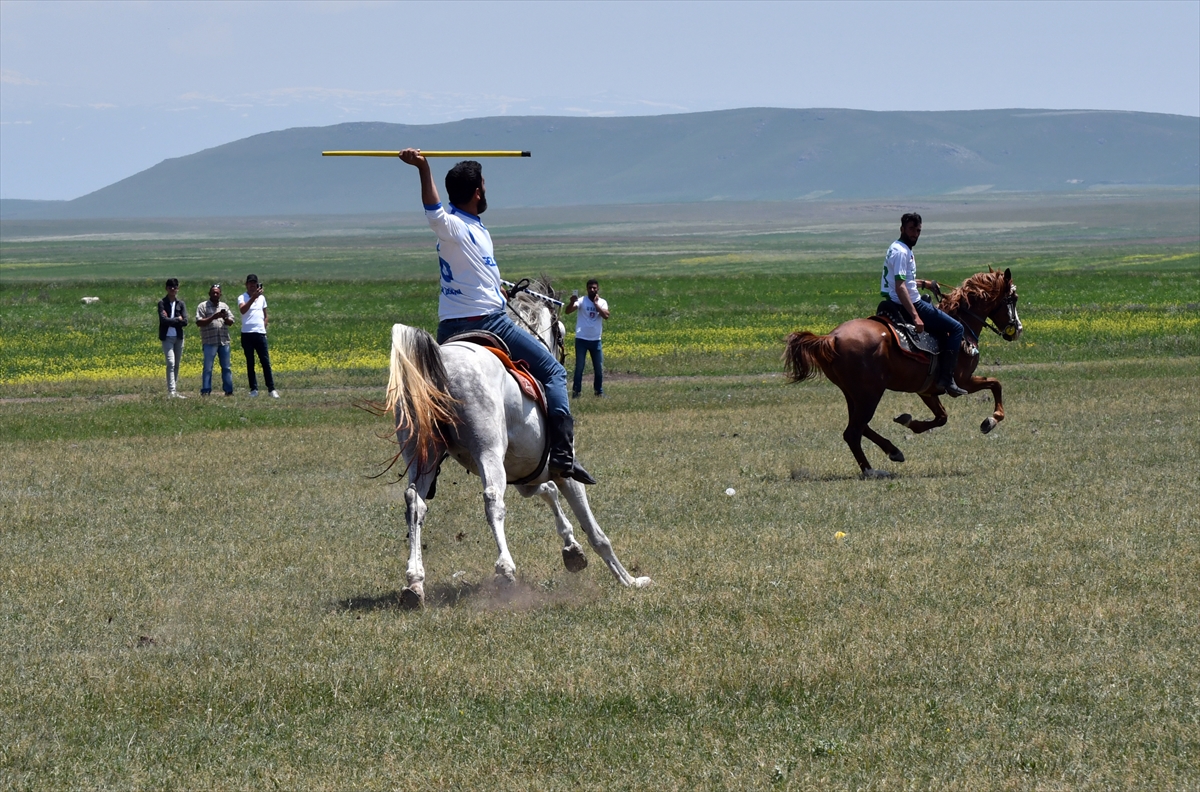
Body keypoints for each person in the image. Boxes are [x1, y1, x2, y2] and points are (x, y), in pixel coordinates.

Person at [397, 149, 596, 485]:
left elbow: (478, 270)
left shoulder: (474, 229)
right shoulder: (453, 225)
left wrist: (497, 289)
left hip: (448, 329)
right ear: (477, 192)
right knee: (554, 371)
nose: (486, 189)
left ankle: (430, 461)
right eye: (484, 185)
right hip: (487, 322)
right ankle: (563, 454)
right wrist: (423, 167)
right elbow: (434, 212)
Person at [880, 213, 968, 397]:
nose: (915, 234)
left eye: (918, 230)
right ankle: (947, 379)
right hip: (909, 303)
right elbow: (900, 286)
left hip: (900, 299)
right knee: (957, 328)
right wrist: (915, 315)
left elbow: (905, 280)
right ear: (902, 229)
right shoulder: (902, 252)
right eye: (911, 229)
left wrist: (925, 284)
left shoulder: (899, 247)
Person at [565, 278, 610, 397]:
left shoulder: (602, 302)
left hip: (596, 340)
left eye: (594, 288)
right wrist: (571, 302)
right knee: (579, 367)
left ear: (598, 289)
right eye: (590, 288)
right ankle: (576, 392)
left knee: (598, 368)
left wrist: (596, 304)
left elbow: (606, 316)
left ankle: (599, 391)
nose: (592, 290)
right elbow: (568, 311)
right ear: (587, 289)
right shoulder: (582, 301)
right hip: (582, 339)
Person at [238, 274, 278, 398]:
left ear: (257, 285)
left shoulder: (262, 298)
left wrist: (263, 328)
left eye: (254, 283)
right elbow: (243, 310)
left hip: (260, 333)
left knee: (265, 362)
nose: (252, 285)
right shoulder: (242, 297)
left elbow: (265, 316)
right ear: (246, 284)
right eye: (250, 283)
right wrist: (253, 298)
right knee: (250, 362)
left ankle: (271, 389)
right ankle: (254, 389)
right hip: (247, 333)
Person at [196, 283, 236, 396]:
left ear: (220, 294)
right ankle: (206, 390)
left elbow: (231, 321)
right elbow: (199, 322)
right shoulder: (203, 306)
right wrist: (213, 317)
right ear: (209, 293)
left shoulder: (224, 306)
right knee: (208, 368)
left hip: (224, 341)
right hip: (209, 341)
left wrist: (225, 317)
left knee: (226, 367)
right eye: (213, 292)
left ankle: (228, 390)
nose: (215, 294)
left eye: (217, 293)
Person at [157, 278, 188, 399]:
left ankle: (174, 391)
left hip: (179, 337)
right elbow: (163, 320)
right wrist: (177, 319)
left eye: (174, 287)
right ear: (166, 288)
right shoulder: (162, 303)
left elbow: (185, 321)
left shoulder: (181, 304)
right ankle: (171, 391)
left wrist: (172, 320)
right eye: (170, 287)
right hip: (167, 337)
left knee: (177, 364)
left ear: (177, 289)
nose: (172, 289)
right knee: (171, 362)